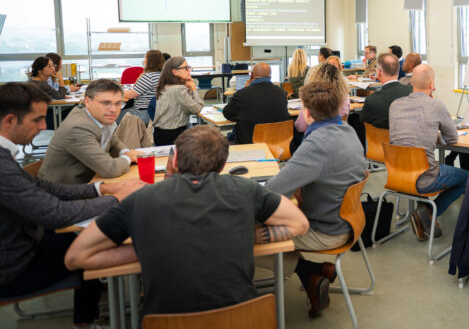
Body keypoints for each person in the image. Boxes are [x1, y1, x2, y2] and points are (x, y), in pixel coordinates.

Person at [64, 125, 309, 320]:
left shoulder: (140, 199)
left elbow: (75, 257)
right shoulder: (245, 189)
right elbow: (299, 224)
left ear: (175, 157)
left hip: (164, 321)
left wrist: (146, 248)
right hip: (243, 317)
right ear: (223, 165)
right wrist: (248, 235)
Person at [0, 82, 144, 329]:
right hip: (14, 264)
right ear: (10, 121)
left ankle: (93, 310)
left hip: (24, 242)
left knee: (100, 238)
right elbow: (55, 214)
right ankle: (91, 320)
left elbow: (42, 188)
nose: (44, 127)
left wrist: (99, 189)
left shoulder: (5, 155)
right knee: (107, 243)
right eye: (37, 120)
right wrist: (115, 199)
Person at [261, 81, 365, 318]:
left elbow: (272, 193)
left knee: (240, 235)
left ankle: (310, 271)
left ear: (305, 112)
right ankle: (312, 273)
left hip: (325, 230)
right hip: (347, 221)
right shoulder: (347, 131)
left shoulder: (318, 143)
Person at [389, 64, 467, 240]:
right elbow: (453, 138)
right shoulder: (436, 104)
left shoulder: (395, 105)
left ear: (411, 83)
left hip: (396, 175)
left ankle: (423, 212)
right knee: (468, 177)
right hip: (424, 179)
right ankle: (429, 211)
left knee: (426, 164)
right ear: (432, 85)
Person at [39, 79, 139, 185]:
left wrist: (125, 152)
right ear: (87, 102)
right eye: (106, 103)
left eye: (118, 103)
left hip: (87, 182)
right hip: (62, 193)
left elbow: (113, 142)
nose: (113, 109)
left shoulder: (100, 117)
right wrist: (129, 158)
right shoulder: (78, 128)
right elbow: (110, 169)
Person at [223, 63, 291, 144]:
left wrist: (245, 88)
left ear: (251, 76)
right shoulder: (282, 94)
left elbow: (227, 114)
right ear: (270, 77)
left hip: (250, 146)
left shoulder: (242, 94)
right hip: (279, 144)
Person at [152, 56, 203, 146]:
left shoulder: (165, 86)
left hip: (160, 133)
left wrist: (189, 89)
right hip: (173, 135)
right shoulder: (179, 89)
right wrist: (194, 88)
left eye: (189, 67)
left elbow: (187, 107)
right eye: (185, 68)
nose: (189, 70)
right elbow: (197, 109)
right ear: (174, 72)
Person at [360, 53, 412, 129]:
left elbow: (362, 120)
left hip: (380, 140)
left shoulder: (372, 100)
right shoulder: (412, 92)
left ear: (379, 72)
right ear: (397, 70)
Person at [294, 63, 350, 133]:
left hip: (316, 139)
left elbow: (300, 127)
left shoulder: (313, 98)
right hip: (340, 136)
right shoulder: (345, 97)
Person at [121, 50, 164, 124]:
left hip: (144, 112)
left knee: (113, 116)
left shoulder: (149, 77)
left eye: (145, 58)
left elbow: (131, 94)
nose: (144, 61)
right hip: (157, 112)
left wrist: (116, 91)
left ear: (148, 61)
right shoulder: (162, 75)